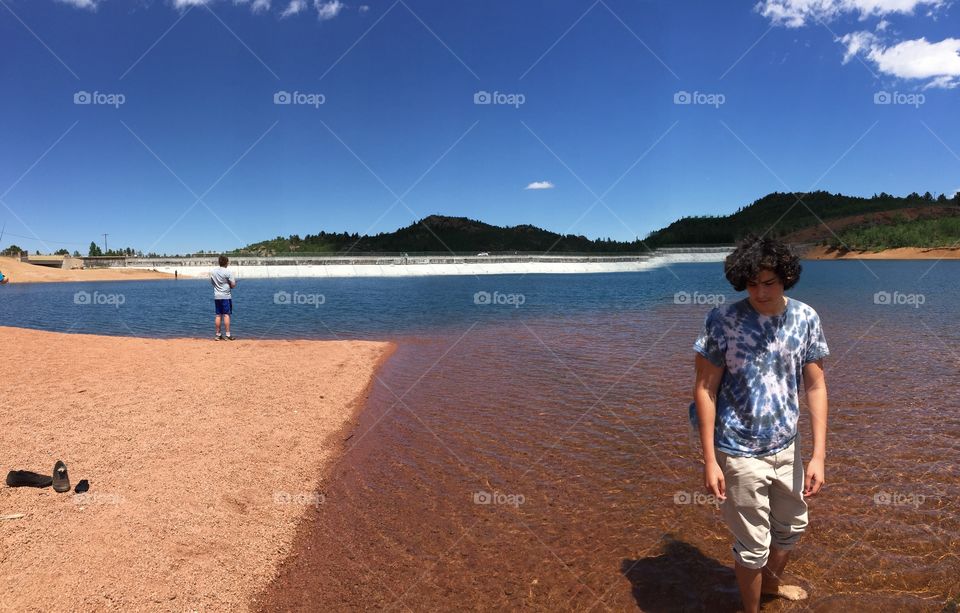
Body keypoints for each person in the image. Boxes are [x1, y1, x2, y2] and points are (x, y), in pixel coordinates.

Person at [690, 234, 829, 613]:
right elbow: (704, 389)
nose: (761, 291)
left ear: (786, 276)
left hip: (788, 445)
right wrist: (709, 459)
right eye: (752, 283)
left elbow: (815, 386)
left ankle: (769, 587)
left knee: (791, 529)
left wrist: (817, 456)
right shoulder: (723, 320)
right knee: (752, 548)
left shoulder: (805, 318)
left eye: (769, 282)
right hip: (737, 449)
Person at [210, 255, 237, 340]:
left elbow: (212, 283)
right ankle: (228, 335)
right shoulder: (228, 272)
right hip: (226, 296)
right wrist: (229, 284)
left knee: (218, 315)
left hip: (217, 296)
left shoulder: (213, 272)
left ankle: (218, 335)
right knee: (226, 315)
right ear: (226, 262)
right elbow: (233, 285)